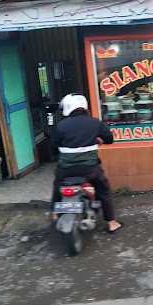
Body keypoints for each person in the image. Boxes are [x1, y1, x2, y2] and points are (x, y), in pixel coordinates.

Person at [51, 93, 122, 234]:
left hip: (66, 170)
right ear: (84, 106)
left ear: (67, 108)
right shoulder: (95, 123)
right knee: (103, 189)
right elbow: (109, 139)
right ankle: (111, 222)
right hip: (90, 169)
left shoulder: (61, 126)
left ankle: (54, 213)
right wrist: (97, 140)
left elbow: (53, 148)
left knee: (57, 185)